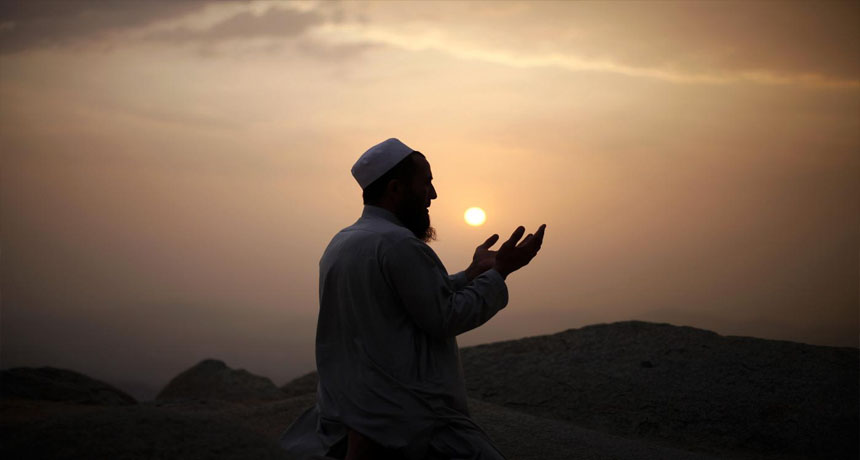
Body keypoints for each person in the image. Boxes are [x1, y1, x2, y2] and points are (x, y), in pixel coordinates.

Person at [280, 138, 546, 460]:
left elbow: (405, 299)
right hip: (405, 420)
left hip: (351, 410)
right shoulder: (398, 244)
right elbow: (444, 317)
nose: (432, 196)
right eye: (426, 184)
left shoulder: (344, 241)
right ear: (395, 189)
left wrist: (471, 273)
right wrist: (500, 272)